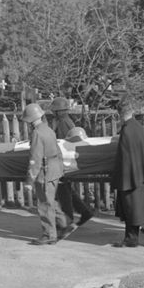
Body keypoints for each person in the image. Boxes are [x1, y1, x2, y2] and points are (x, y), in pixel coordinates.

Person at [111, 96, 144, 247]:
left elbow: (124, 157)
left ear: (120, 113)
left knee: (133, 209)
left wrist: (119, 178)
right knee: (137, 208)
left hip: (131, 177)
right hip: (142, 174)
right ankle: (131, 238)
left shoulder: (127, 130)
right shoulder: (139, 127)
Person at [22, 102, 71, 245]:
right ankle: (64, 223)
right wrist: (61, 170)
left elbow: (35, 159)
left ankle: (49, 234)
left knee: (44, 203)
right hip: (54, 169)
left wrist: (29, 180)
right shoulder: (48, 130)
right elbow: (58, 150)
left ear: (30, 119)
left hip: (45, 171)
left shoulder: (37, 133)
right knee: (51, 201)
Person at [49, 96, 94, 227]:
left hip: (64, 161)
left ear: (59, 111)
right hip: (68, 160)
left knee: (63, 191)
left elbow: (63, 143)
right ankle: (84, 212)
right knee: (66, 189)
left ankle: (67, 218)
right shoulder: (66, 121)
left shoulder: (63, 123)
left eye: (54, 110)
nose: (52, 113)